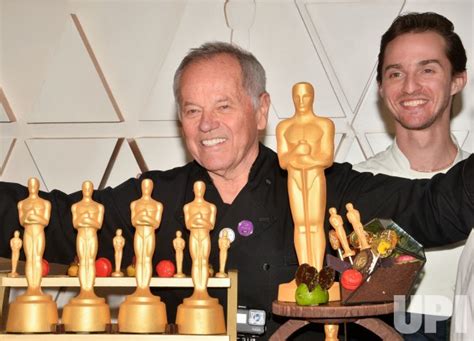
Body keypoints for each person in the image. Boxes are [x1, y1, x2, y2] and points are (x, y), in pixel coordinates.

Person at [0, 41, 473, 340]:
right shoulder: (155, 199)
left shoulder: (321, 185)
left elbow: (435, 209)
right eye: (191, 110)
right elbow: (55, 220)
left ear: (261, 109)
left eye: (223, 105)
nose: (207, 125)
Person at [353, 12, 470, 340]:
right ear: (380, 87)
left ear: (458, 80)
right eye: (395, 73)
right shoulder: (351, 190)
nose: (410, 86)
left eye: (428, 69)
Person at [276, 82, 335, 271]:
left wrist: (306, 157)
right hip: (294, 177)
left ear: (313, 97)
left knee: (315, 223)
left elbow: (327, 158)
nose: (301, 101)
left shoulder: (323, 124)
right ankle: (305, 272)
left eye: (306, 96)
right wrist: (297, 151)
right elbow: (283, 161)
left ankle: (317, 272)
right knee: (300, 224)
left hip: (314, 176)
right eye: (297, 96)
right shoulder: (284, 127)